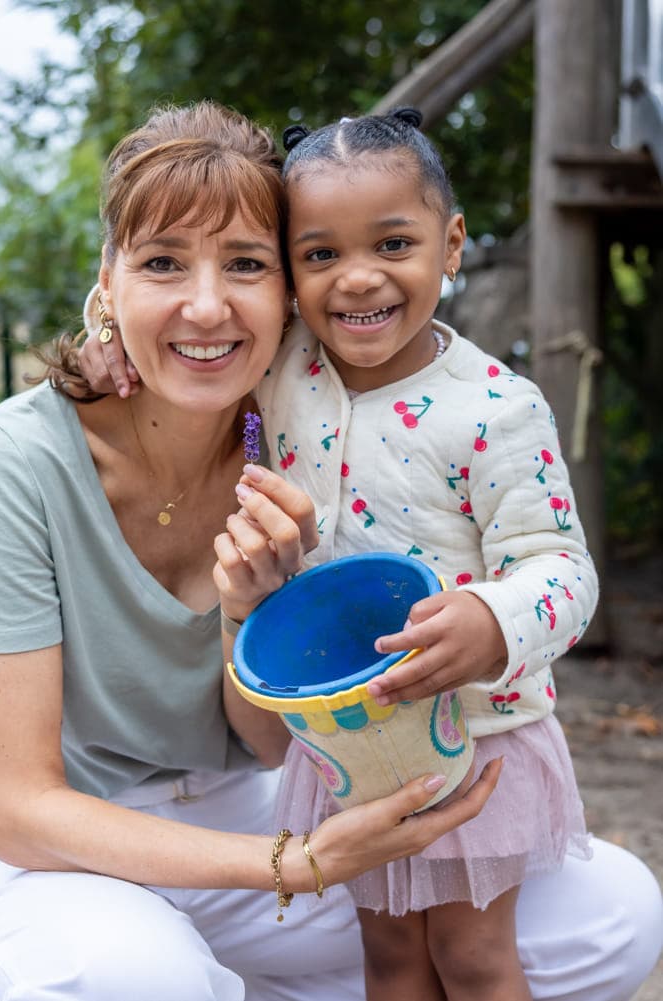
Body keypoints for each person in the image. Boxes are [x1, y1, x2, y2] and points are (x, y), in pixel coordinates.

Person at [80, 104, 663, 1000]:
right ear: (290, 273)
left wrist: (493, 616)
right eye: (320, 255)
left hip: (474, 733)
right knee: (387, 961)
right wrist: (109, 340)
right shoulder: (285, 370)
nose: (357, 280)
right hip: (344, 739)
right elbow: (192, 338)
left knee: (472, 958)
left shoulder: (497, 409)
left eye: (392, 245)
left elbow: (564, 568)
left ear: (453, 243)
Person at [0, 99, 504, 1001]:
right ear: (109, 284)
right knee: (133, 979)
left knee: (606, 915)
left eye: (245, 264)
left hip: (251, 809)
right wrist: (299, 859)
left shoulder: (301, 438)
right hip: (57, 858)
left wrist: (248, 615)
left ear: (286, 293)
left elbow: (273, 749)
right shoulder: (21, 455)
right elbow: (18, 809)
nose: (206, 305)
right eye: (163, 263)